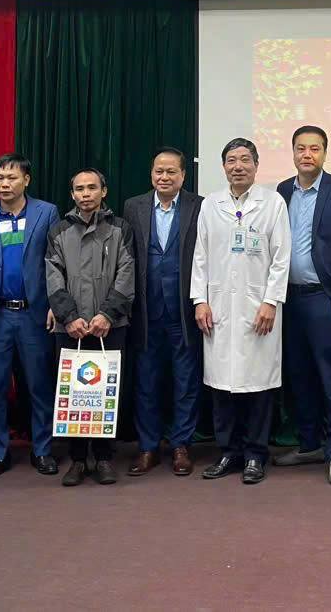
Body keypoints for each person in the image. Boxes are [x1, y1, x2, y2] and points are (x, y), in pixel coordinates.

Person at [192, 138, 291, 485]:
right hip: (218, 308)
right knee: (221, 385)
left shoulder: (273, 203)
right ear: (223, 167)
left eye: (245, 160)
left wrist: (271, 301)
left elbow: (281, 257)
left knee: (258, 386)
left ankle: (255, 455)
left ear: (256, 165)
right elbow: (200, 256)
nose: (238, 166)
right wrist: (200, 300)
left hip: (258, 308)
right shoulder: (211, 204)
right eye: (231, 160)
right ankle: (228, 452)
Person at [274, 125, 331, 485]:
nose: (307, 154)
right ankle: (309, 444)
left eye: (314, 148)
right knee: (298, 376)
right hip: (287, 298)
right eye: (301, 148)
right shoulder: (282, 191)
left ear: (325, 153)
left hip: (324, 298)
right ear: (293, 152)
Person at [0, 153, 60, 481]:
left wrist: (56, 304)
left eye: (11, 178)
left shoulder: (46, 212)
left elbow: (55, 261)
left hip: (35, 313)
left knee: (39, 384)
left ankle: (42, 448)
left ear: (26, 180)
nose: (4, 184)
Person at [46, 169, 135, 486]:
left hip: (110, 326)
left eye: (92, 188)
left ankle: (105, 458)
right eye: (79, 189)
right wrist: (69, 317)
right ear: (72, 194)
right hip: (70, 328)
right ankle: (78, 460)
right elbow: (53, 276)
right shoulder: (58, 231)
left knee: (106, 392)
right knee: (74, 393)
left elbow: (126, 273)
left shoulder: (120, 228)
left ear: (103, 191)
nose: (86, 194)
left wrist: (107, 315)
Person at [123, 148, 203, 477]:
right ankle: (148, 446)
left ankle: (181, 445)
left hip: (184, 311)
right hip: (146, 310)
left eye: (171, 171)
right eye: (159, 171)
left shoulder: (199, 206)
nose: (164, 177)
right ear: (151, 173)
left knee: (186, 381)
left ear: (183, 175)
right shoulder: (134, 207)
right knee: (146, 382)